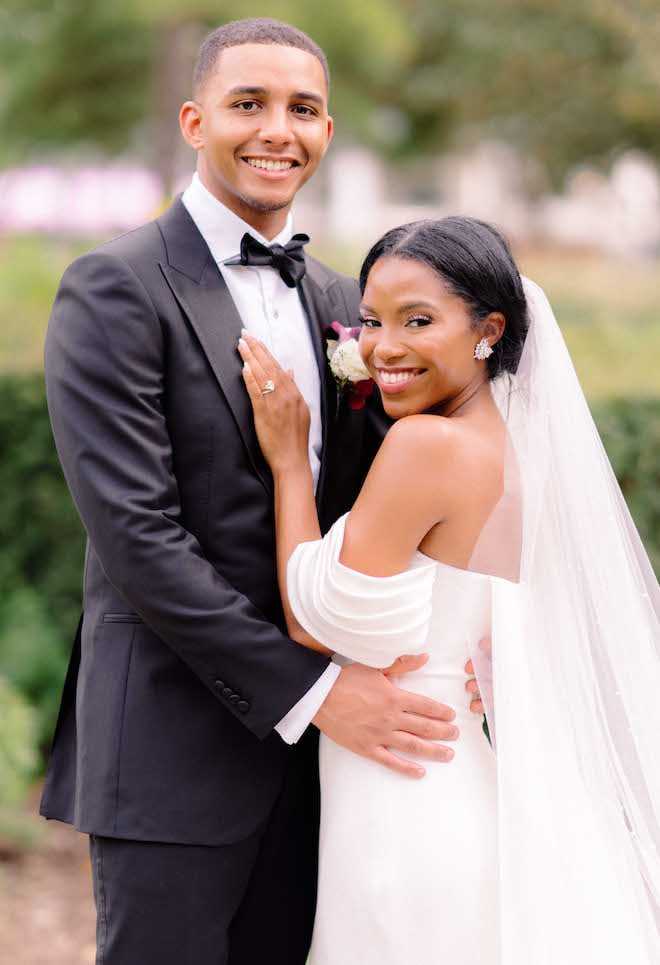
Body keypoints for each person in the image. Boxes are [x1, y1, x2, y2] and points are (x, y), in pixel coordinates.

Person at [40, 18, 482, 965]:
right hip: (173, 748)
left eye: (304, 108)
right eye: (249, 103)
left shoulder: (345, 305)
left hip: (339, 770)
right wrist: (318, 691)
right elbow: (138, 541)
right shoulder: (113, 289)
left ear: (327, 131)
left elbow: (407, 502)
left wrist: (471, 635)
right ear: (196, 120)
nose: (277, 128)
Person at [239, 216, 660, 964]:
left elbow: (312, 622)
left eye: (418, 320)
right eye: (371, 319)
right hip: (472, 780)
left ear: (488, 330)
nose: (382, 346)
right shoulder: (523, 451)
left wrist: (289, 465)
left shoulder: (425, 445)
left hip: (406, 788)